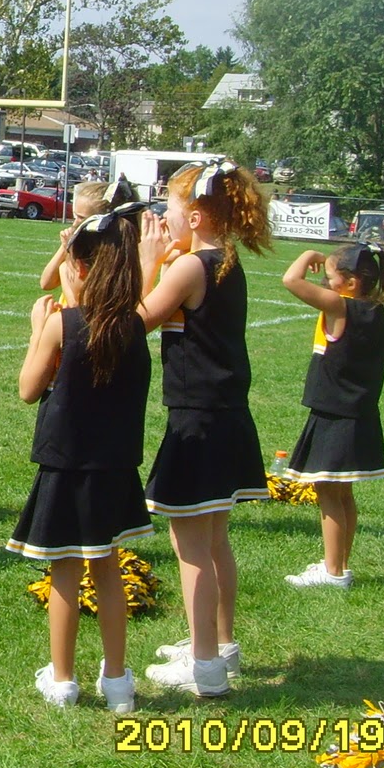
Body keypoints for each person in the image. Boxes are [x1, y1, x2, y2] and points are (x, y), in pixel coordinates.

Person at [136, 159, 274, 697]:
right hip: (226, 414)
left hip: (198, 420)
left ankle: (205, 666)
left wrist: (150, 263)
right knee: (215, 540)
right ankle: (219, 643)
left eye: (166, 208)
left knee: (191, 543)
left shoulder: (190, 267)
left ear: (194, 215)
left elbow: (136, 320)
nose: (160, 217)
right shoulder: (219, 260)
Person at [11, 200, 151, 711]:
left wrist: (37, 330)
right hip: (114, 467)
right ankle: (117, 681)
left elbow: (29, 389)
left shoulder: (63, 324)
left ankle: (63, 679)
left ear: (83, 266)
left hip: (67, 466)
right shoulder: (135, 326)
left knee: (65, 573)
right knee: (108, 570)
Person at [279, 243, 384, 589]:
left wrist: (310, 255)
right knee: (342, 494)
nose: (325, 283)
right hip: (357, 414)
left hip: (335, 415)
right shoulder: (374, 310)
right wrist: (325, 265)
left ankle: (334, 573)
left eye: (329, 277)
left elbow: (291, 280)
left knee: (327, 492)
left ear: (351, 282)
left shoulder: (340, 307)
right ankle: (337, 563)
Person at [38, 177, 137, 299]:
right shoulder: (79, 244)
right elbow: (46, 283)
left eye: (81, 218)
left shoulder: (112, 253)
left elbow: (79, 304)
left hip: (75, 316)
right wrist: (65, 248)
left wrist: (64, 271)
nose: (74, 224)